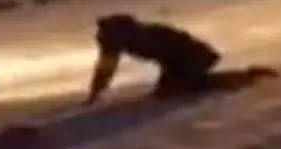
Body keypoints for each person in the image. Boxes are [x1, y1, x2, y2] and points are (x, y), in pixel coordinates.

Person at [85, 13, 225, 104]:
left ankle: (231, 80)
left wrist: (174, 79)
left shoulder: (144, 38)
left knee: (185, 89)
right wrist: (95, 92)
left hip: (195, 57)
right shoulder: (127, 37)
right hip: (183, 59)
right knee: (168, 92)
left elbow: (178, 54)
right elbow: (105, 68)